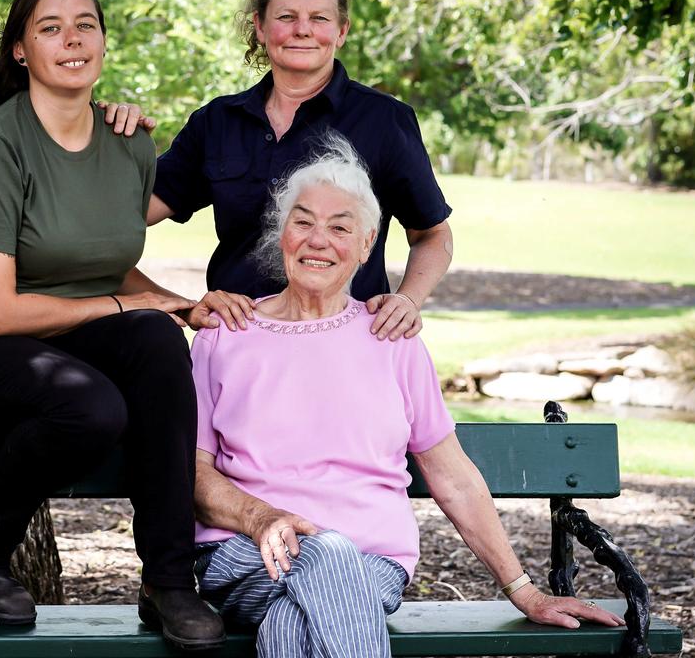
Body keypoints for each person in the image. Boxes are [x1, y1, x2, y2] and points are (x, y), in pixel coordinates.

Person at [189, 133, 624, 656]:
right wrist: (262, 518)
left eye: (339, 227)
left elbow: (453, 477)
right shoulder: (226, 334)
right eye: (302, 221)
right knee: (326, 558)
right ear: (281, 233)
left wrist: (524, 591)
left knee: (293, 621)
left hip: (372, 563)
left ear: (368, 244)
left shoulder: (390, 339)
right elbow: (193, 471)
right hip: (246, 554)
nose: (317, 239)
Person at [0, 0, 225, 650]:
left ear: (104, 41)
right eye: (49, 28)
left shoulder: (129, 142)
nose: (71, 39)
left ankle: (168, 582)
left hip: (58, 342)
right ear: (21, 50)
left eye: (85, 24)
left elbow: (99, 261)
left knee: (160, 345)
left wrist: (171, 305)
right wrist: (128, 301)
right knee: (92, 406)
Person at [143, 0, 455, 341]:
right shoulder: (217, 122)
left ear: (341, 30)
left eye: (319, 18)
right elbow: (119, 223)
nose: (302, 29)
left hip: (350, 343)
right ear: (259, 26)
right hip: (241, 344)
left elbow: (433, 234)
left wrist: (408, 300)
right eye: (286, 17)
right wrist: (180, 304)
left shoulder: (384, 121)